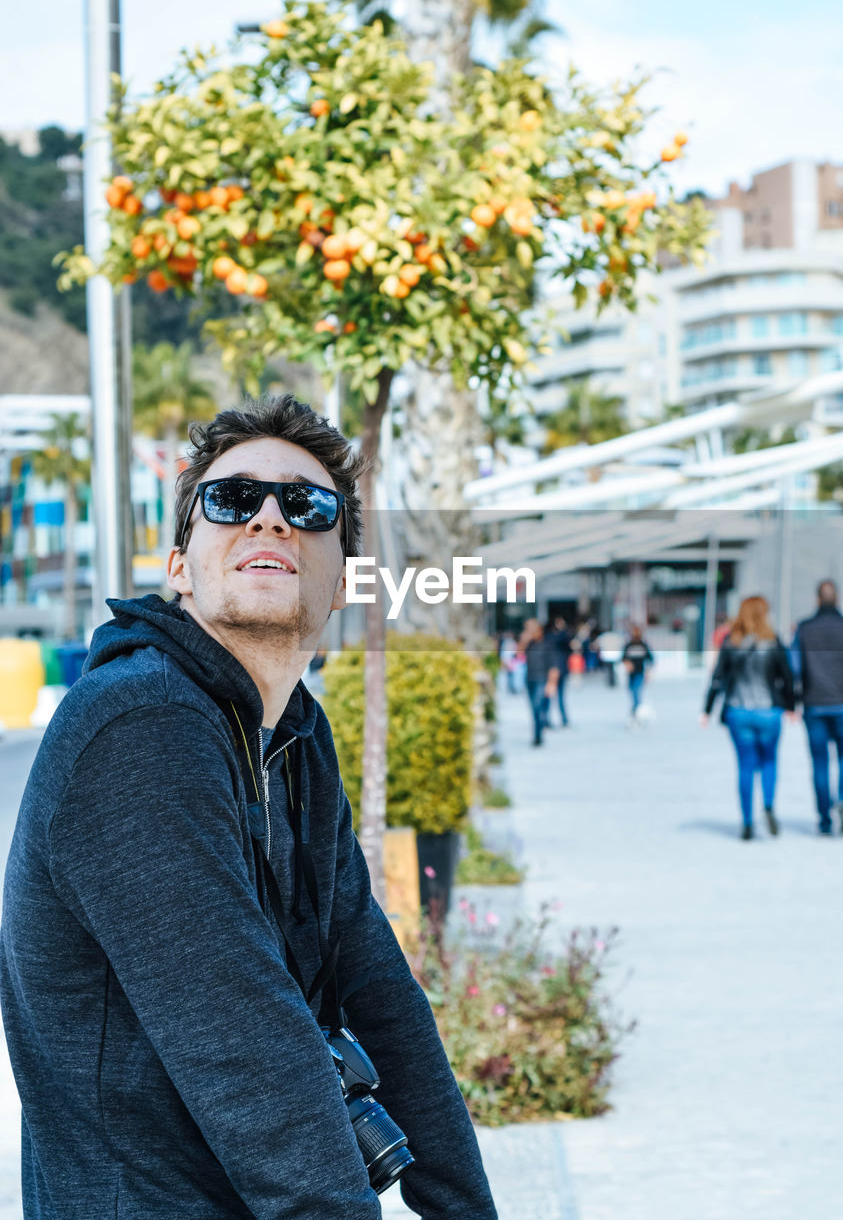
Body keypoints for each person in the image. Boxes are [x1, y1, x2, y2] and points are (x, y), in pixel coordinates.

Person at [0, 395, 497, 1220]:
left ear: (342, 582)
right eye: (232, 500)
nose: (270, 519)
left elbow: (377, 987)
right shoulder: (139, 725)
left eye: (306, 507)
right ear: (178, 566)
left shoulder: (293, 734)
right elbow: (251, 1054)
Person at [701, 595, 795, 840]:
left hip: (738, 711)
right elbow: (787, 677)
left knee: (745, 765)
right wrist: (792, 706)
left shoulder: (731, 642)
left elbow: (718, 677)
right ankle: (768, 805)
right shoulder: (773, 642)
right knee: (769, 761)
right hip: (769, 711)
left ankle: (747, 821)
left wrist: (707, 709)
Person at [790, 579, 843, 836]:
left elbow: (794, 666)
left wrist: (794, 699)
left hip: (814, 704)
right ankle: (842, 799)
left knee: (819, 763)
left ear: (817, 599)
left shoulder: (804, 628)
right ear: (836, 599)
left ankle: (824, 818)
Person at [519, 618, 561, 746]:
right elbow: (518, 654)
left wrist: (551, 684)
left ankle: (538, 735)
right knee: (534, 709)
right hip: (529, 679)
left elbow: (554, 667)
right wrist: (524, 640)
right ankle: (539, 729)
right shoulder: (529, 645)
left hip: (542, 680)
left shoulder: (547, 645)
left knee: (537, 707)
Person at [622, 624, 655, 725]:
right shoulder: (629, 645)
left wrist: (648, 672)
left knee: (636, 692)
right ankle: (635, 711)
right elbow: (623, 658)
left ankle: (637, 712)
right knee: (632, 691)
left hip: (640, 672)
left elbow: (650, 659)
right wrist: (627, 664)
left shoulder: (643, 645)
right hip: (631, 673)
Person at [545, 616, 572, 726]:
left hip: (555, 669)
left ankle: (549, 719)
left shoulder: (549, 637)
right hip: (556, 669)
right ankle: (562, 719)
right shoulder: (561, 636)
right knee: (557, 696)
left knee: (554, 696)